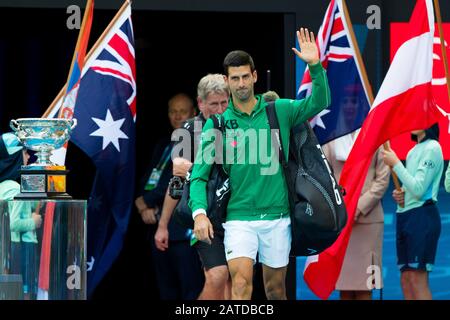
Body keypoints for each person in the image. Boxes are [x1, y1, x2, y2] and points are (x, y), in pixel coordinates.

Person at [189, 27, 331, 300]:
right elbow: (198, 176)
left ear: (254, 77)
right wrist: (199, 214)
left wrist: (315, 66)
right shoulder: (216, 124)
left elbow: (320, 100)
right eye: (235, 78)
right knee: (241, 285)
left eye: (245, 76)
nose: (241, 83)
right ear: (227, 82)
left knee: (276, 291)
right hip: (239, 219)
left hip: (278, 217)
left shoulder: (279, 110)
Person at [155, 74, 231, 300]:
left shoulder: (238, 124)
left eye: (224, 103)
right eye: (213, 104)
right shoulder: (189, 130)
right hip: (205, 217)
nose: (219, 109)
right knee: (216, 277)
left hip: (238, 214)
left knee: (234, 282)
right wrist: (163, 225)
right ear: (200, 103)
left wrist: (194, 168)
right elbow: (176, 181)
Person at [135, 93, 204, 299]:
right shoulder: (165, 143)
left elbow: (175, 182)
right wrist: (142, 203)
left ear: (194, 112)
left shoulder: (198, 141)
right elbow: (149, 178)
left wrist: (145, 202)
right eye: (173, 111)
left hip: (184, 232)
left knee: (191, 291)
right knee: (166, 291)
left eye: (183, 111)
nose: (178, 116)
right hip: (159, 230)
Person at [322, 138, 390, 300]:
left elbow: (381, 181)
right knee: (344, 287)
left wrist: (357, 208)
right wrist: (341, 209)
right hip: (341, 223)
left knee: (366, 287)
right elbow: (323, 177)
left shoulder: (377, 138)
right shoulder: (331, 140)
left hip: (369, 221)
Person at [382, 123, 443, 300]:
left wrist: (395, 164)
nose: (412, 122)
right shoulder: (411, 151)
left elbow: (419, 188)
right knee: (406, 279)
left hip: (423, 217)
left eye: (418, 118)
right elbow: (411, 190)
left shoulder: (433, 147)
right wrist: (401, 195)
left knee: (417, 279)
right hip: (406, 217)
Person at [0, 132, 41, 299]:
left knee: (10, 291)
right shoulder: (15, 188)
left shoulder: (4, 186)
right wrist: (33, 221)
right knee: (24, 292)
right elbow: (13, 223)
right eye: (24, 152)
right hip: (21, 247)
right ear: (16, 157)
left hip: (8, 249)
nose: (28, 155)